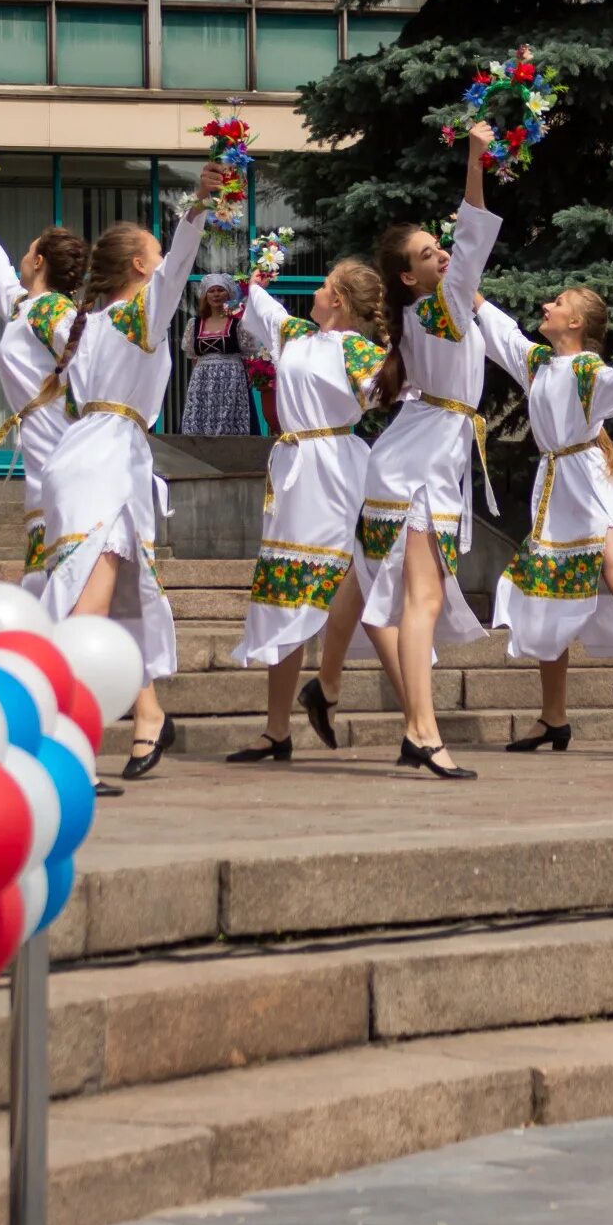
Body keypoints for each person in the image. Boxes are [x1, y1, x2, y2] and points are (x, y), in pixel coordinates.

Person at [32, 162, 234, 779]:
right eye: (155, 255)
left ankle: (147, 718)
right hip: (108, 463)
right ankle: (65, 743)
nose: (166, 268)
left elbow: (27, 299)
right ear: (142, 269)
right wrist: (198, 203)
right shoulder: (137, 316)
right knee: (85, 612)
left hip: (80, 456)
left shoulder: (81, 323)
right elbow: (179, 265)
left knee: (109, 599)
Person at [333, 130, 500, 781]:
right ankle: (423, 733)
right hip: (420, 464)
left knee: (415, 599)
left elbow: (472, 240)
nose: (443, 256)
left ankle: (417, 730)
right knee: (421, 601)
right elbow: (477, 231)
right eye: (430, 253)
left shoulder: (422, 314)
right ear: (410, 275)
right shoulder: (445, 306)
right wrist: (475, 159)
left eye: (440, 249)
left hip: (414, 455)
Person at [475, 287, 613, 750]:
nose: (546, 305)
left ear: (576, 324)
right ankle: (553, 716)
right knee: (548, 594)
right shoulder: (538, 364)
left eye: (558, 302)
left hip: (587, 482)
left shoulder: (587, 369)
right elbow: (498, 328)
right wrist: (460, 282)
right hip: (555, 486)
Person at [223, 258, 392, 762]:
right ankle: (278, 728)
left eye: (322, 286)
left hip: (337, 467)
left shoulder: (359, 350)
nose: (314, 292)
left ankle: (413, 723)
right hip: (295, 469)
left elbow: (390, 387)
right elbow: (266, 309)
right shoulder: (296, 336)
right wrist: (254, 282)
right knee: (284, 590)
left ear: (337, 300)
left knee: (357, 576)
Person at [0, 182, 87, 592]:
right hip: (43, 449)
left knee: (64, 567)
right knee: (47, 564)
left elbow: (95, 356)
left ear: (40, 260)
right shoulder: (26, 308)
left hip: (64, 446)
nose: (21, 258)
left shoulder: (52, 311)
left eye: (28, 252)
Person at [179, 279, 256, 436]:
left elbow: (248, 350)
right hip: (203, 379)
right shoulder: (195, 323)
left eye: (220, 290)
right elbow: (194, 356)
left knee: (229, 418)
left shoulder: (238, 323)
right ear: (205, 295)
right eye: (211, 291)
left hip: (231, 378)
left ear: (229, 294)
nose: (216, 294)